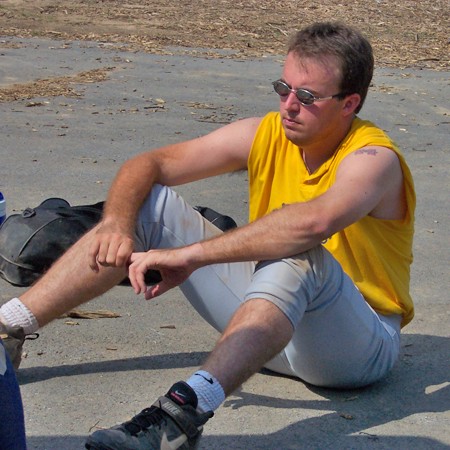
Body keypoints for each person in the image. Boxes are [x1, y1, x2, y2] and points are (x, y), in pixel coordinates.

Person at [0, 21, 415, 450]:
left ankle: (180, 415)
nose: (289, 105)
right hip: (272, 326)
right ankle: (8, 328)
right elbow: (151, 163)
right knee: (149, 203)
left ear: (350, 104)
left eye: (307, 97)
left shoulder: (374, 159)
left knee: (299, 252)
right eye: (283, 87)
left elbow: (309, 224)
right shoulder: (267, 133)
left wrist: (192, 255)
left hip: (355, 349)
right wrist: (117, 223)